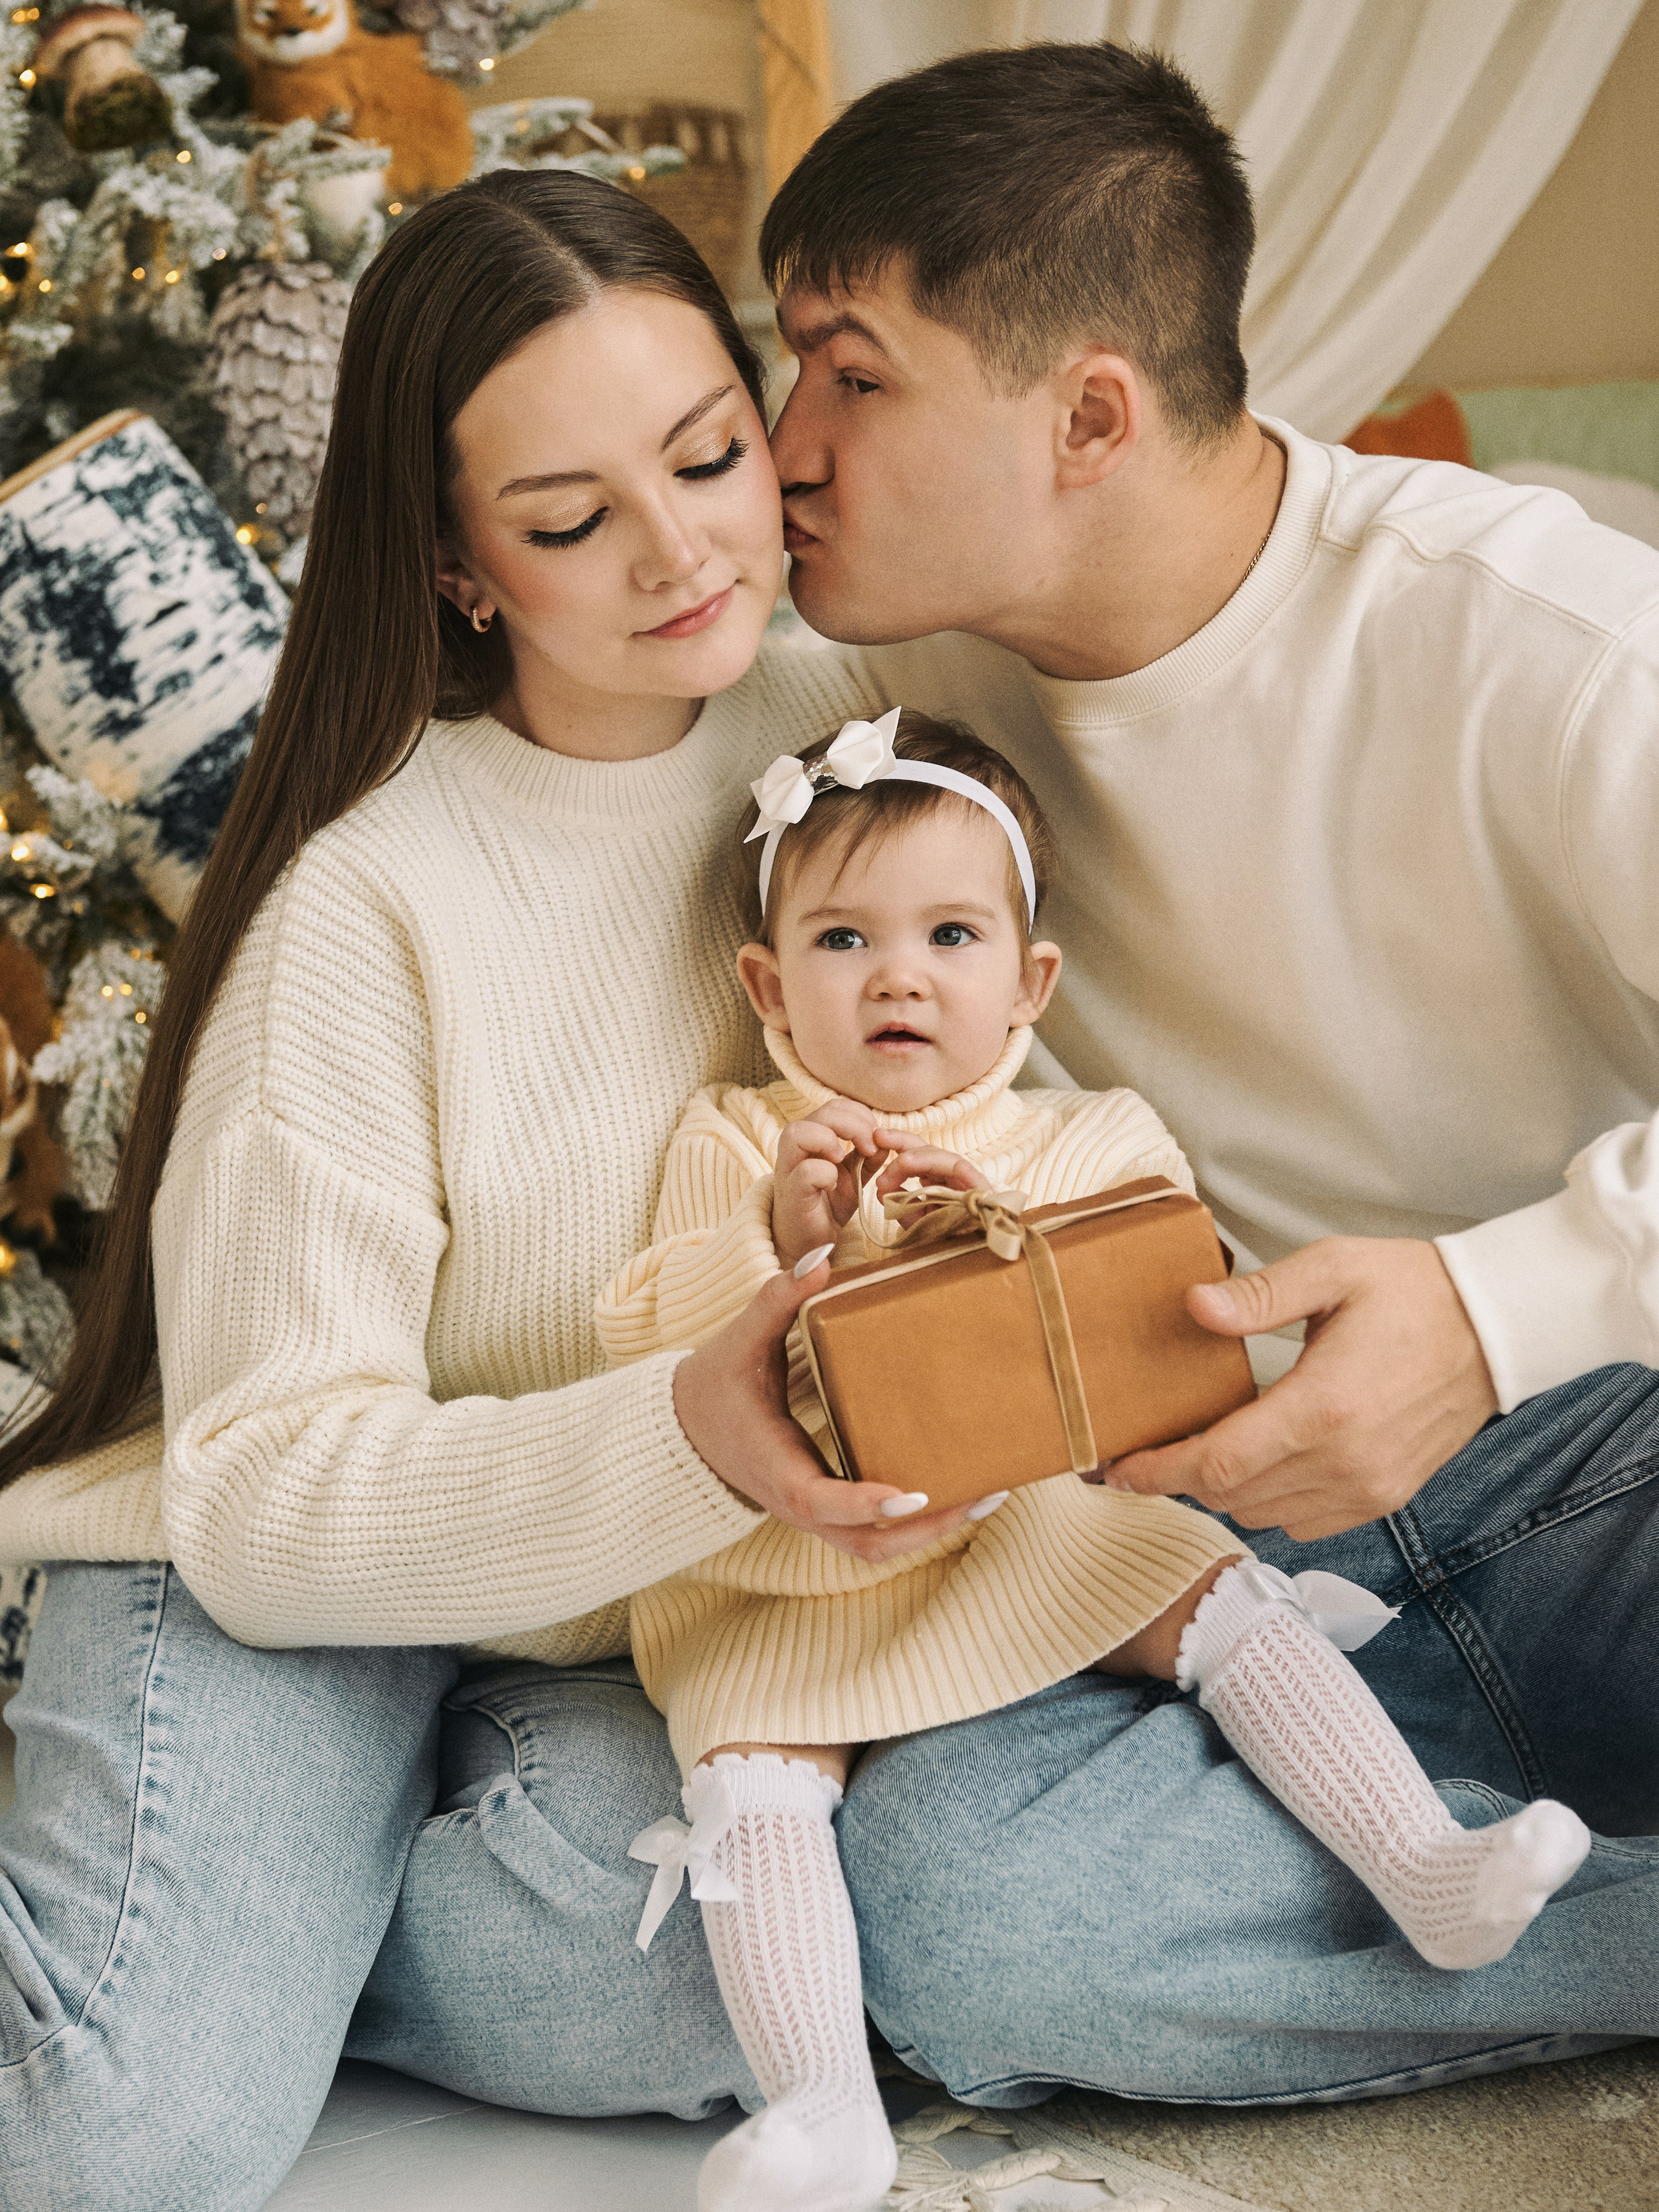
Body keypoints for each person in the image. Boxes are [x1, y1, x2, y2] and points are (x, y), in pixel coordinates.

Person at [0, 171, 977, 2209]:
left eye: (708, 453)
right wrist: (690, 1432)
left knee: (722, 1986)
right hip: (268, 1558)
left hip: (584, 1617)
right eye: (567, 522)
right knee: (123, 2130)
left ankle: (275, 1914)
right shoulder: (362, 900)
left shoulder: (857, 737)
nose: (684, 549)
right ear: (457, 565)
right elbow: (268, 1493)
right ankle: (174, 1913)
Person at [754, 38, 1659, 2102]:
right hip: (1206, 1544)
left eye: (853, 375)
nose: (780, 443)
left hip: (1608, 1460)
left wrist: (1506, 1305)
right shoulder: (874, 684)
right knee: (983, 1937)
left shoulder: (1544, 640)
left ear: (1091, 413)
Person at [602, 708, 1590, 2212]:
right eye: (843, 941)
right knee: (747, 1767)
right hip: (807, 1565)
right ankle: (821, 2108)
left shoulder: (1080, 1132)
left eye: (948, 933)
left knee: (1216, 1588)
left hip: (1034, 1531)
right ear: (767, 984)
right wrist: (783, 1251)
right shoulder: (736, 1144)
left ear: (1026, 983)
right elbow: (658, 1350)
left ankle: (1421, 1868)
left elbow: (1157, 1303)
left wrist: (983, 1218)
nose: (900, 977)